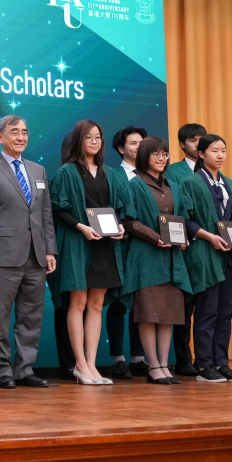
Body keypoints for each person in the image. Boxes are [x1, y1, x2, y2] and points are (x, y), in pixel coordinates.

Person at [0, 115, 57, 389]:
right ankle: (2, 371)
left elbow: (45, 214)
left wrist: (50, 250)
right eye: (14, 132)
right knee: (0, 317)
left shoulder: (38, 171)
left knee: (31, 316)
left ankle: (24, 369)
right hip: (4, 256)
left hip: (36, 255)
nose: (21, 137)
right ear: (1, 137)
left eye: (24, 132)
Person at [50, 120, 127, 386]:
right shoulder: (67, 172)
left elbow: (119, 209)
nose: (94, 141)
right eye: (89, 137)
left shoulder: (110, 173)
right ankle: (80, 365)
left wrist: (120, 226)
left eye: (98, 137)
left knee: (96, 305)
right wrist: (80, 226)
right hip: (78, 243)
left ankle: (92, 365)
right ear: (78, 140)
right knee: (78, 303)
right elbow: (57, 208)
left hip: (105, 245)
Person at [121, 137, 193, 385]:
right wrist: (156, 238)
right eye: (156, 154)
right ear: (144, 156)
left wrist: (183, 238)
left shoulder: (173, 185)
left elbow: (181, 219)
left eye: (165, 154)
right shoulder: (135, 184)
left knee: (167, 315)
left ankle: (164, 365)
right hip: (146, 258)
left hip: (173, 259)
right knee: (148, 314)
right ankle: (153, 366)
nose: (162, 159)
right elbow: (129, 222)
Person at [181, 135, 232, 382]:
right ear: (201, 154)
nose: (220, 155)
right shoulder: (190, 182)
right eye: (214, 150)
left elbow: (231, 220)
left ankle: (222, 363)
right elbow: (185, 220)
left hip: (229, 255)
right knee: (207, 311)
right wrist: (209, 236)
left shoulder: (229, 183)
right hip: (205, 253)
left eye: (223, 150)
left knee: (225, 312)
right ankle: (204, 365)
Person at [106, 126, 149, 380]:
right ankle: (118, 359)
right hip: (120, 248)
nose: (139, 147)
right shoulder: (113, 175)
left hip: (146, 250)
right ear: (121, 148)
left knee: (141, 304)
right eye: (133, 143)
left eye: (142, 142)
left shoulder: (152, 176)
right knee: (118, 303)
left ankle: (138, 358)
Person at [166, 123, 207, 377]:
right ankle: (183, 359)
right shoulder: (173, 171)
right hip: (185, 248)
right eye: (193, 140)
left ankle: (207, 359)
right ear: (182, 144)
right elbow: (172, 209)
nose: (198, 144)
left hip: (211, 248)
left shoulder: (212, 171)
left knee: (208, 305)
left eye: (202, 139)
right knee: (184, 306)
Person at [51, 131, 77, 381]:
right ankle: (68, 363)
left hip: (92, 247)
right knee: (65, 305)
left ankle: (82, 362)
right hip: (65, 247)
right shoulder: (62, 175)